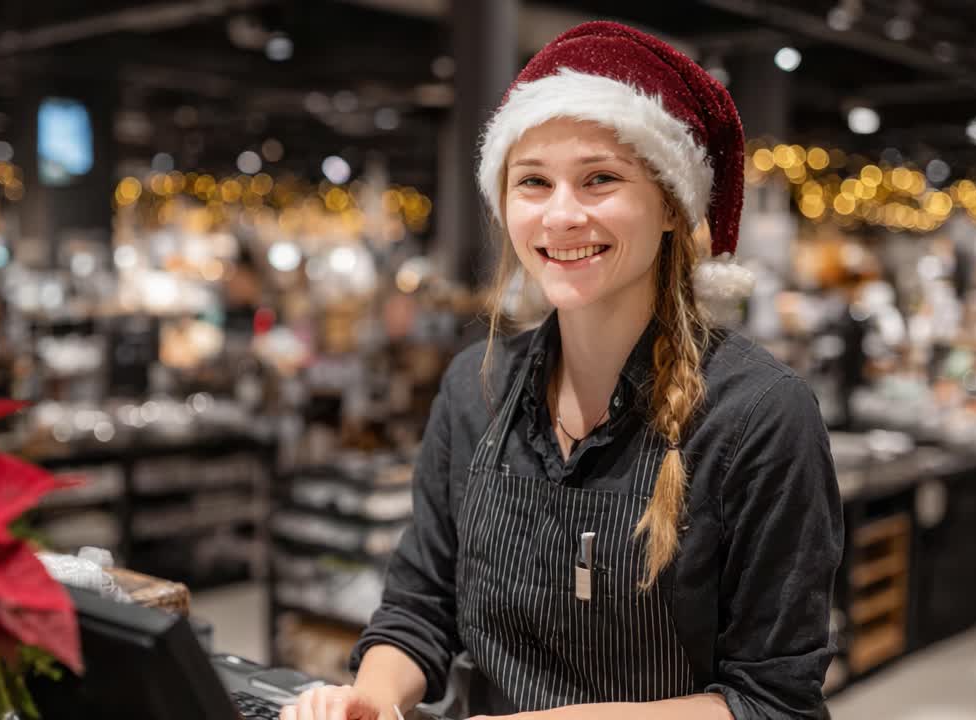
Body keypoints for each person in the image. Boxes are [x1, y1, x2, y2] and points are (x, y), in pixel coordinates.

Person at [281, 21, 843, 720]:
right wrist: (368, 700)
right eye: (533, 183)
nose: (561, 215)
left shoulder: (758, 415)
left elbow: (772, 702)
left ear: (670, 204)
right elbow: (419, 607)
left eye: (600, 179)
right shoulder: (474, 388)